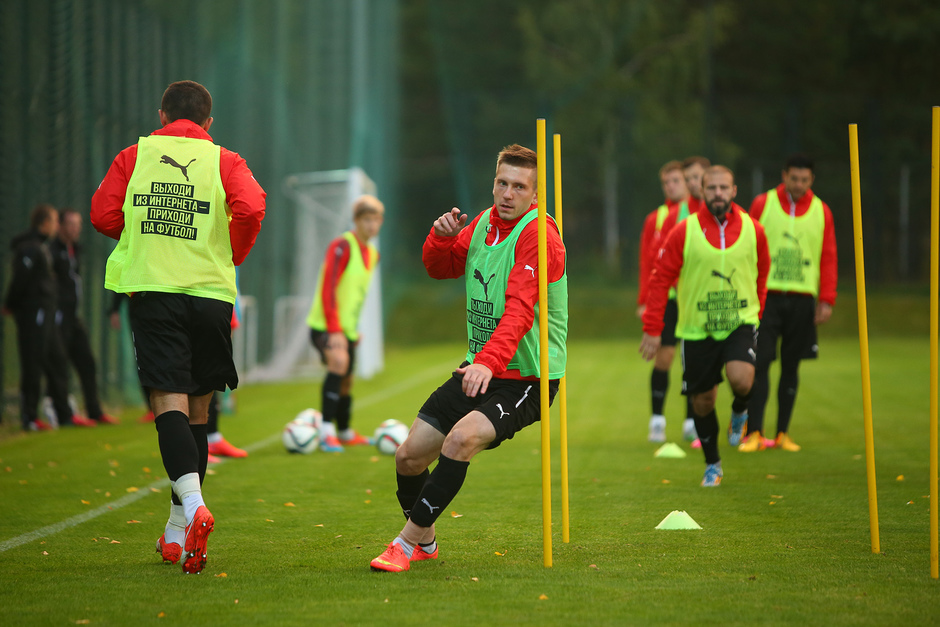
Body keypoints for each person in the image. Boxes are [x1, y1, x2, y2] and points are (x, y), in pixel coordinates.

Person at [90, 80, 266, 574]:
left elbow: (102, 214)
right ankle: (175, 530)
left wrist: (145, 234)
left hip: (156, 292)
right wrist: (232, 251)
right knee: (199, 414)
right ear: (208, 122)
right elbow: (252, 207)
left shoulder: (135, 156)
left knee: (168, 402)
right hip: (210, 296)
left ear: (162, 115)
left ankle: (193, 507)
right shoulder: (225, 160)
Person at [369, 144, 567, 572]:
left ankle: (404, 545)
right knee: (408, 457)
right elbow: (440, 267)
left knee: (460, 440)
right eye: (502, 183)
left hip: (526, 378)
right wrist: (440, 238)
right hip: (479, 367)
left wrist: (487, 362)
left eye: (520, 187)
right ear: (493, 183)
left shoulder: (539, 237)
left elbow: (520, 310)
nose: (508, 194)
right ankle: (425, 543)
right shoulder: (482, 223)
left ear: (535, 194)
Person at [640, 166, 769, 486]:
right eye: (711, 188)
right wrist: (653, 327)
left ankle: (740, 410)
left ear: (734, 190)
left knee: (742, 379)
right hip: (697, 328)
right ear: (702, 191)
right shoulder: (684, 231)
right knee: (703, 401)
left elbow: (762, 271)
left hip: (739, 322)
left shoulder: (754, 229)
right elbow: (660, 278)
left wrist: (757, 311)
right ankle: (713, 464)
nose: (718, 193)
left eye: (724, 188)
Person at [736, 154, 837, 453]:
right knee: (760, 363)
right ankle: (754, 432)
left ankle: (783, 433)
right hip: (766, 297)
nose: (799, 184)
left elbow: (828, 255)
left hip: (802, 299)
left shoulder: (822, 211)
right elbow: (746, 245)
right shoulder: (763, 203)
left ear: (812, 180)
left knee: (791, 366)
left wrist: (826, 298)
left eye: (805, 180)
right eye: (794, 178)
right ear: (784, 176)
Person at [305, 195, 385, 452]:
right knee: (339, 363)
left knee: (347, 380)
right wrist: (335, 329)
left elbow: (354, 294)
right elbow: (329, 287)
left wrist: (351, 329)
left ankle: (345, 432)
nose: (371, 225)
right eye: (366, 219)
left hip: (347, 329)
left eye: (376, 220)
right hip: (325, 326)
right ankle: (326, 432)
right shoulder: (342, 245)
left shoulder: (373, 254)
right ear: (356, 220)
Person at [3, 204, 91, 430]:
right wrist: (10, 304)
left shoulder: (42, 247)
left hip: (47, 312)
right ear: (44, 223)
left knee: (58, 360)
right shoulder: (30, 248)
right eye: (54, 221)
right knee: (33, 363)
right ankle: (30, 417)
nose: (56, 226)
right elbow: (20, 279)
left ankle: (64, 415)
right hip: (35, 312)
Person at [636, 161, 692, 443]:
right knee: (665, 357)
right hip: (666, 299)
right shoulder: (655, 218)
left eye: (676, 181)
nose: (671, 186)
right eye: (666, 182)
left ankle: (692, 421)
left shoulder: (697, 213)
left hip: (691, 296)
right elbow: (646, 262)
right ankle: (657, 420)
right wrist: (643, 300)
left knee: (693, 359)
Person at [50, 208, 120, 425]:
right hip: (58, 317)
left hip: (74, 317)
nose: (76, 229)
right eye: (71, 224)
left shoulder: (75, 249)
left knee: (87, 362)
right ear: (60, 226)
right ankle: (64, 414)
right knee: (59, 366)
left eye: (78, 224)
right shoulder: (52, 251)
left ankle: (94, 411)